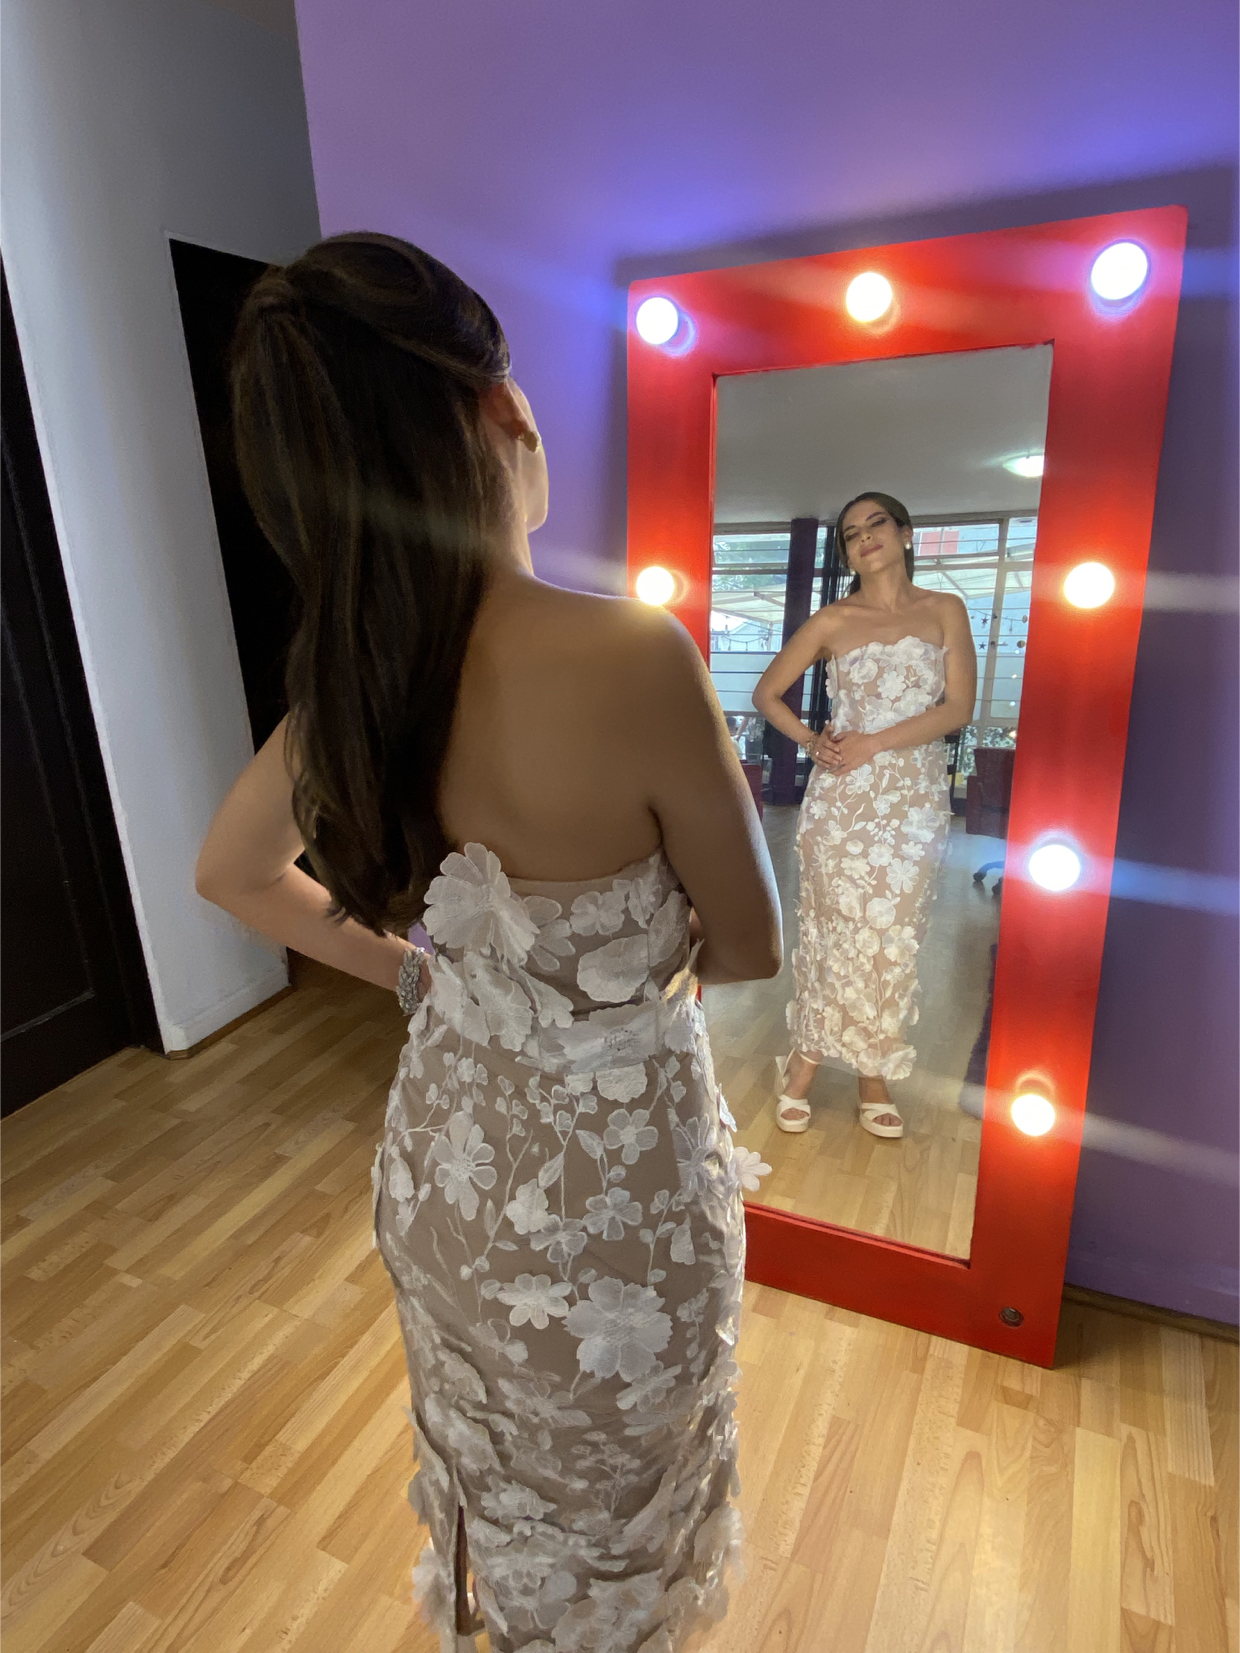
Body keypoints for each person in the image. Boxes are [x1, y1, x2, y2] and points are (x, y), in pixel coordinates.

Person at [195, 234, 781, 1653]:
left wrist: (432, 976)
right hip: (616, 1191)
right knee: (620, 1499)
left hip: (450, 1172)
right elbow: (751, 941)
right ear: (498, 408)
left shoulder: (352, 680)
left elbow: (232, 874)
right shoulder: (634, 653)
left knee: (498, 1485)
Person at [752, 492, 975, 1140]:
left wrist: (875, 742)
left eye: (877, 523)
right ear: (847, 554)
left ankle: (873, 1071)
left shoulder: (945, 610)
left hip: (911, 801)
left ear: (906, 534)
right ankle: (805, 1059)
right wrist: (810, 740)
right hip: (841, 801)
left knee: (893, 938)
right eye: (852, 533)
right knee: (831, 931)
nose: (865, 537)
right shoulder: (832, 620)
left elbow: (958, 707)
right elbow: (767, 693)